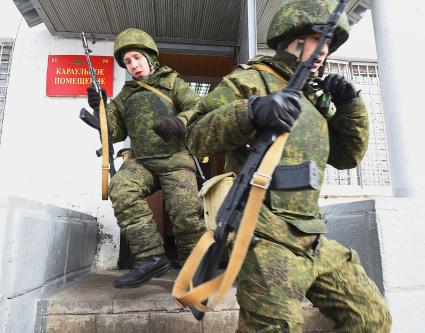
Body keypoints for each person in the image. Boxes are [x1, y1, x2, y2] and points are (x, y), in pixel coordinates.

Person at [186, 0, 392, 331]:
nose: (325, 50)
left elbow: (346, 157)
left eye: (329, 43)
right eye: (318, 40)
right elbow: (195, 136)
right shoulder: (252, 80)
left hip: (312, 234)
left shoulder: (315, 97)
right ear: (292, 39)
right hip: (264, 234)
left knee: (371, 316)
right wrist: (251, 111)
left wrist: (350, 108)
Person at [86, 28, 205, 288]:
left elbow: (197, 107)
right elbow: (114, 134)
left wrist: (179, 121)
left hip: (176, 160)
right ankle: (151, 257)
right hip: (143, 162)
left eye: (137, 58)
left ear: (150, 57)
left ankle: (194, 274)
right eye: (128, 62)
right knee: (122, 188)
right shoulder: (125, 96)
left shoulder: (172, 82)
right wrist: (100, 108)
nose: (133, 65)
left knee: (186, 214)